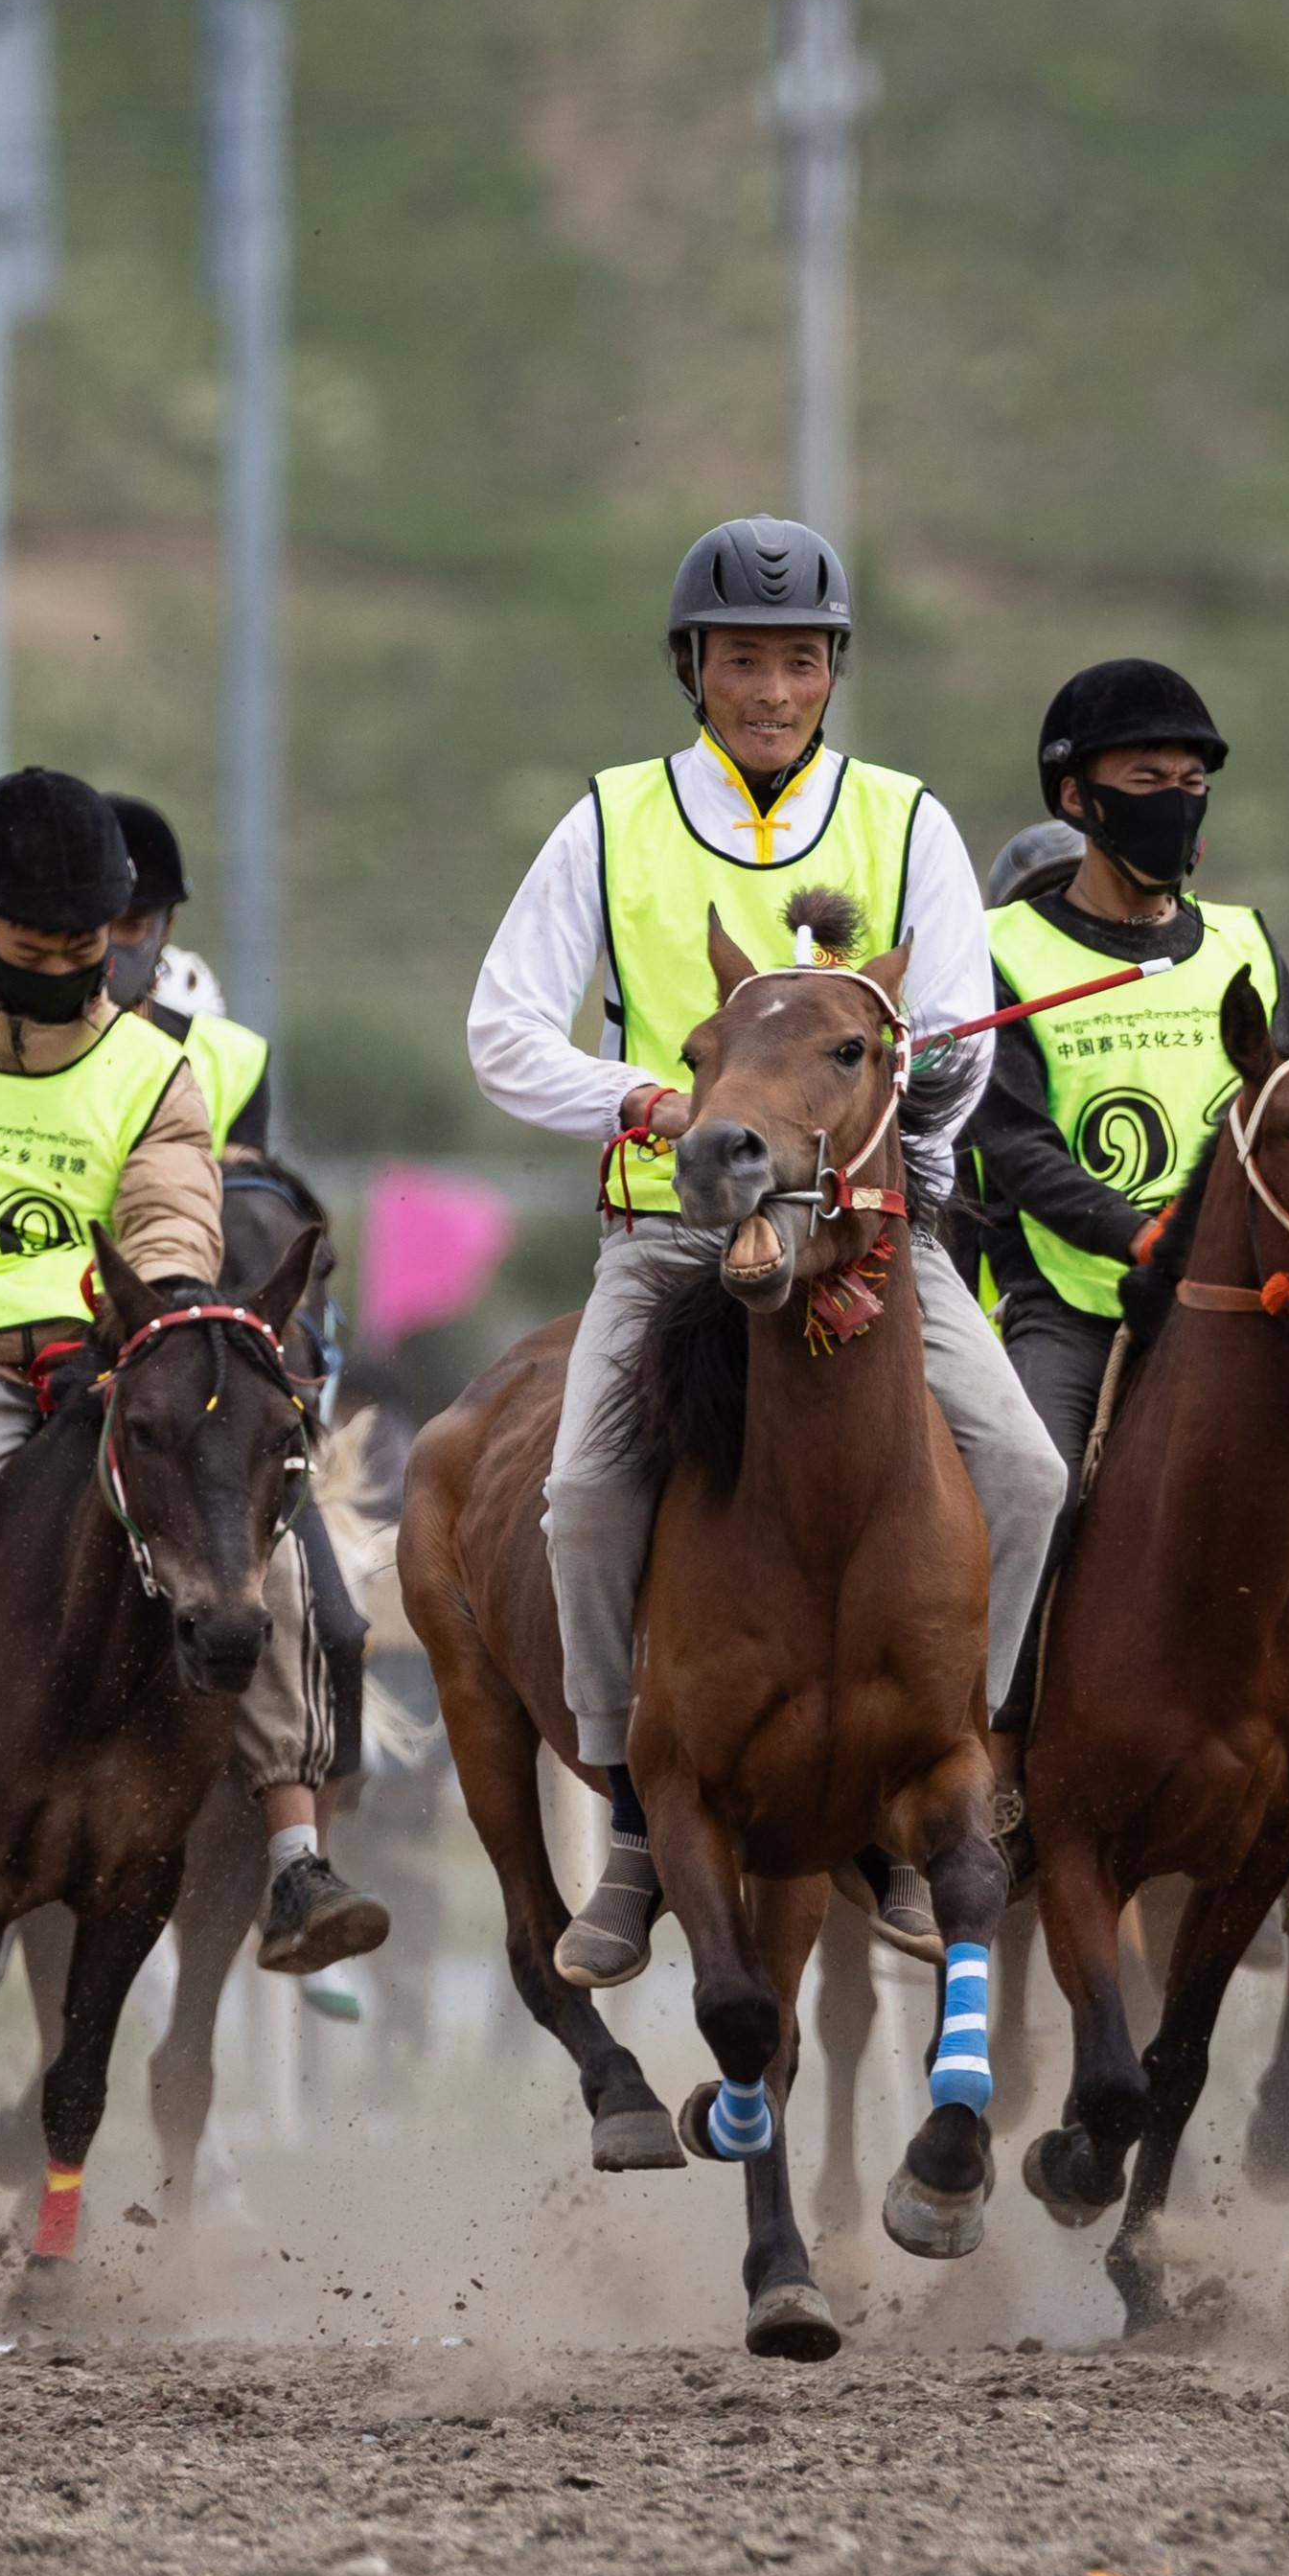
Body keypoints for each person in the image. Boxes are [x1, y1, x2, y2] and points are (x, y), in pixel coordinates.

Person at [462, 518, 1068, 1990]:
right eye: (744, 660)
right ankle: (621, 1811)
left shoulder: (910, 819)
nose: (774, 689)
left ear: (832, 673)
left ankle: (943, 1765)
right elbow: (502, 1037)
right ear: (694, 668)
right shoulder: (607, 820)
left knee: (1029, 1470)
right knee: (588, 1494)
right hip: (674, 1236)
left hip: (858, 1229)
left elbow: (953, 1050)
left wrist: (876, 1177)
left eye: (801, 661)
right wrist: (654, 1101)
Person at [0, 770, 383, 1972]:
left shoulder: (156, 1071)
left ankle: (292, 1852)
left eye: (89, 948)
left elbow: (172, 1218)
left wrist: (150, 1335)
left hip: (121, 1366)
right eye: (37, 945)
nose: (68, 970)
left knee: (247, 1559)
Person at [952, 656, 1289, 1980]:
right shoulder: (1006, 956)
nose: (1176, 802)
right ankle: (993, 1780)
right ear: (1076, 798)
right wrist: (1136, 1231)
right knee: (1022, 1490)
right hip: (1080, 1308)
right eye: (1146, 782)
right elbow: (1017, 1145)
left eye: (1191, 781)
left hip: (1245, 1322)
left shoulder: (1248, 941)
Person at [100, 796, 275, 1150]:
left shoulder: (232, 1064)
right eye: (90, 923)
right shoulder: (2, 1043)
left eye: (131, 926)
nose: (102, 947)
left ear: (166, 930)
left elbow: (245, 1202)